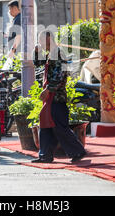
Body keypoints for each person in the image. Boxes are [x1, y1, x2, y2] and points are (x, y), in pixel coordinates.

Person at [31, 30, 87, 163]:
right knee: (46, 125)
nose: (40, 43)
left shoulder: (59, 53)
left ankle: (78, 151)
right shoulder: (51, 54)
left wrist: (48, 90)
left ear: (49, 39)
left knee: (60, 127)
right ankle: (45, 155)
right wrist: (37, 52)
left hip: (57, 97)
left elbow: (61, 75)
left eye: (41, 40)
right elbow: (38, 63)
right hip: (51, 98)